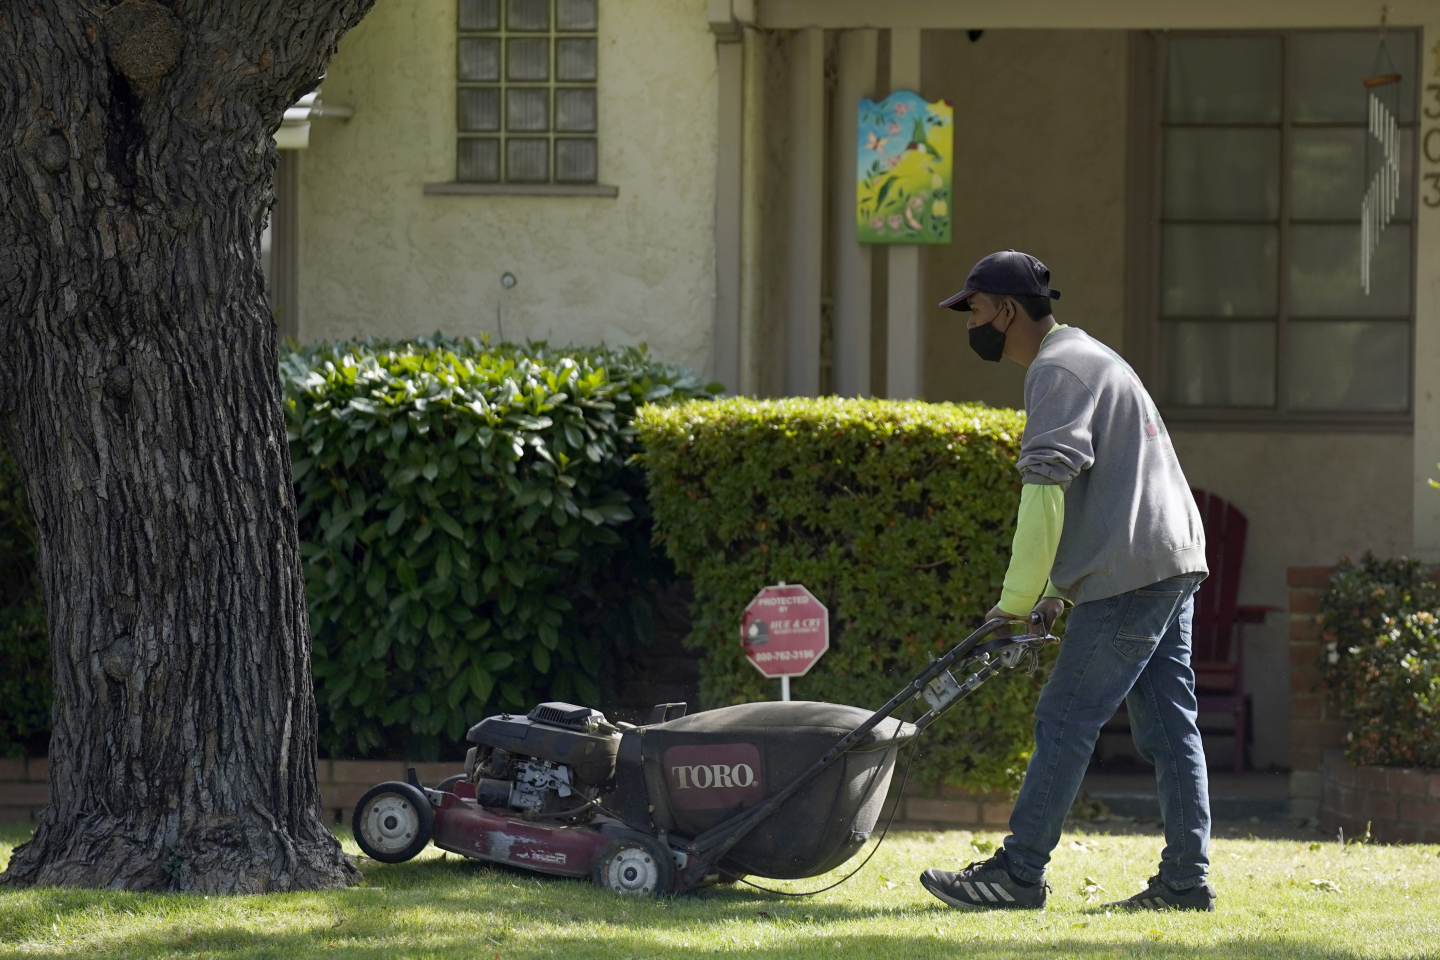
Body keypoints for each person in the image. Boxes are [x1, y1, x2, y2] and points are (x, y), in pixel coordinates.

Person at [918, 250, 1215, 912]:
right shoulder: (1089, 356)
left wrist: (1015, 603)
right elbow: (1102, 488)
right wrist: (1054, 592)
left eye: (973, 310)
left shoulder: (1056, 370)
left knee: (1064, 714)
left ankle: (1018, 873)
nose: (970, 324)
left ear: (1007, 310)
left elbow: (1047, 488)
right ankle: (1186, 882)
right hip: (1171, 556)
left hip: (1135, 571)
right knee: (1171, 728)